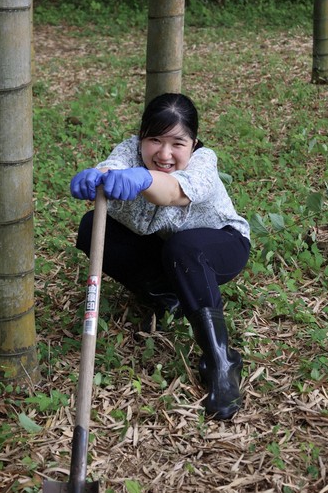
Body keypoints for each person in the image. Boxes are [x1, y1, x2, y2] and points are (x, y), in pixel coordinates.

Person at [70, 93, 251, 421]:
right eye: (154, 140)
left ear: (193, 144)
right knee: (92, 226)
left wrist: (142, 179)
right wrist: (98, 175)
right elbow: (113, 165)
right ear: (141, 138)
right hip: (164, 248)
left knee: (183, 248)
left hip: (219, 246)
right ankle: (169, 296)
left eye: (177, 143)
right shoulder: (129, 150)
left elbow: (172, 192)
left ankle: (222, 361)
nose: (164, 153)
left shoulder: (203, 162)